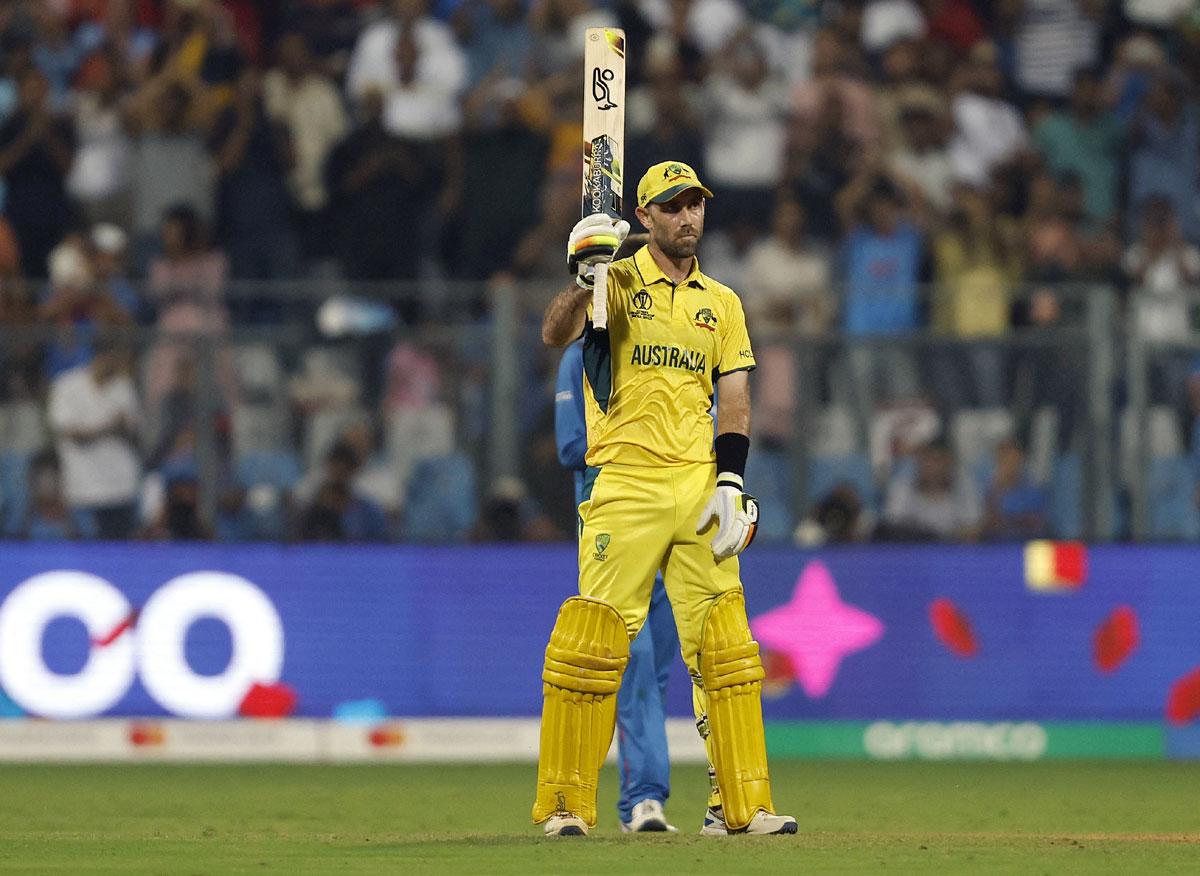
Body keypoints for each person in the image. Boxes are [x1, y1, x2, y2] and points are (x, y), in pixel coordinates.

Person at [533, 160, 796, 837]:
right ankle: (567, 805)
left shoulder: (724, 302)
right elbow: (557, 332)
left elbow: (735, 400)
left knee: (725, 646)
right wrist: (584, 272)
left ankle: (739, 808)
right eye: (673, 207)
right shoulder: (616, 282)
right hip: (624, 481)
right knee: (595, 641)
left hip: (699, 486)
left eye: (696, 206)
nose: (689, 218)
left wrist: (733, 483)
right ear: (645, 217)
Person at [555, 335, 680, 833]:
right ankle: (630, 800)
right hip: (611, 523)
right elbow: (571, 446)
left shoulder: (672, 353)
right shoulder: (581, 357)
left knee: (661, 671)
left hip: (674, 527)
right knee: (632, 666)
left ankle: (642, 802)